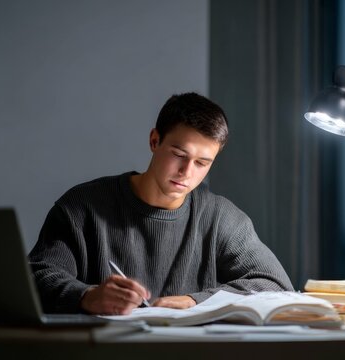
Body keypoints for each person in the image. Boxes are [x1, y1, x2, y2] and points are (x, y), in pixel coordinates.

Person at [28, 92, 294, 315]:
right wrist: (87, 296)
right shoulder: (82, 206)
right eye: (179, 155)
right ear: (154, 141)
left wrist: (196, 302)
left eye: (202, 163)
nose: (187, 172)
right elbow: (35, 277)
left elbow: (275, 284)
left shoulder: (220, 217)